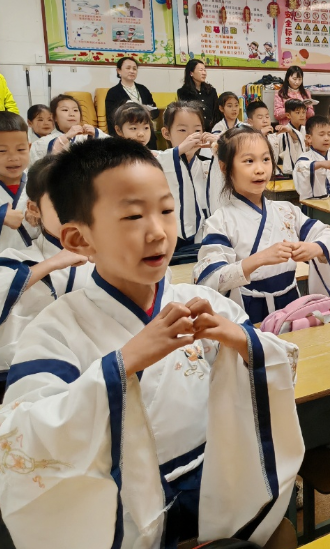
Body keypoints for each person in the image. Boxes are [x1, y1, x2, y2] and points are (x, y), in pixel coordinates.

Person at [0, 138, 304, 548]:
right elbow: (21, 436)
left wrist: (244, 342)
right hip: (120, 505)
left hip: (219, 481)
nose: (158, 232)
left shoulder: (202, 303)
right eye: (132, 216)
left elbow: (279, 367)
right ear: (78, 240)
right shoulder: (56, 330)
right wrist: (122, 364)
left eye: (166, 210)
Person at [195, 126, 330, 322]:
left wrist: (316, 248)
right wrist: (259, 259)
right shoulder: (220, 221)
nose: (260, 169)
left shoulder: (287, 211)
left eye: (266, 159)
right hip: (247, 313)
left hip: (291, 311)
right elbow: (209, 277)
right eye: (249, 161)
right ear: (225, 167)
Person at [0, 155, 92, 370]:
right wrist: (51, 264)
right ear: (34, 209)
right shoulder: (17, 259)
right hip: (29, 373)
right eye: (62, 204)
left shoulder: (108, 255)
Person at [155, 101, 221, 255]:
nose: (191, 136)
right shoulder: (158, 161)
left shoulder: (208, 164)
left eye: (197, 130)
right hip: (168, 237)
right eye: (182, 130)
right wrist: (178, 152)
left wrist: (222, 149)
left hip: (205, 237)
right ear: (166, 133)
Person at [0, 112, 38, 252]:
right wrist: (2, 215)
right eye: (2, 151)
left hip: (35, 257)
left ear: (29, 147)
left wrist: (42, 215)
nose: (13, 157)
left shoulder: (38, 180)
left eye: (21, 149)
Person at [30, 94, 106, 161]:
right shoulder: (42, 142)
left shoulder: (91, 135)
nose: (71, 114)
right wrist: (66, 138)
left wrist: (96, 135)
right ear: (54, 117)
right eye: (65, 110)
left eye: (75, 110)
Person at [246, 100, 299, 176]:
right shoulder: (245, 137)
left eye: (267, 117)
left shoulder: (274, 137)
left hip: (274, 174)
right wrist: (260, 134)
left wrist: (289, 131)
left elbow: (296, 141)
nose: (265, 121)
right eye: (260, 117)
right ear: (250, 122)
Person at [104, 57, 156, 130]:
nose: (132, 71)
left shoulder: (143, 89)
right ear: (119, 71)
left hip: (145, 130)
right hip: (125, 131)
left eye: (134, 69)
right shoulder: (113, 92)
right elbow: (111, 117)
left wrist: (147, 113)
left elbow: (155, 110)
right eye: (128, 68)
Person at [177, 59, 220, 129]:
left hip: (211, 130)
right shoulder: (183, 92)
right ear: (191, 73)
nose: (204, 73)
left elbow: (216, 112)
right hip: (193, 129)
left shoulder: (211, 91)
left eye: (205, 70)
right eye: (201, 70)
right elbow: (184, 114)